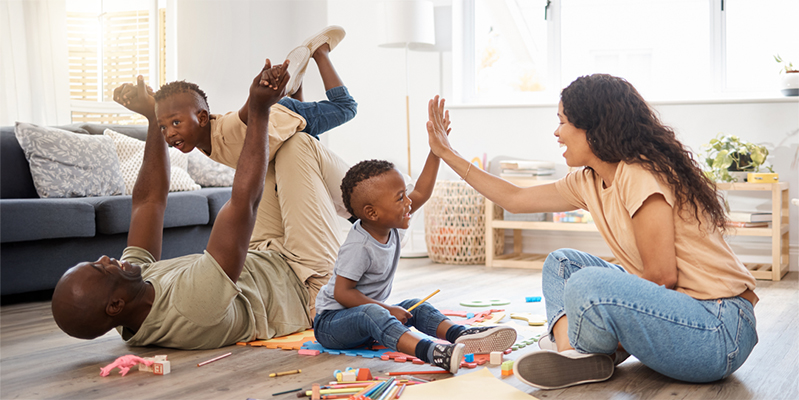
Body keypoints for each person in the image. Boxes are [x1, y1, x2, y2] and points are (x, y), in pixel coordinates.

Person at [426, 75, 758, 388]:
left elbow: (661, 276)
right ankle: (575, 354)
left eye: (562, 121)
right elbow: (515, 198)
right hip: (677, 317)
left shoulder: (639, 173)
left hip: (718, 331)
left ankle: (582, 346)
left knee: (587, 283)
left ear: (593, 128)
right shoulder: (588, 181)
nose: (557, 133)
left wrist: (600, 312)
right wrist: (447, 154)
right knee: (562, 264)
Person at [114, 26, 356, 316]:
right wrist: (152, 112)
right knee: (293, 161)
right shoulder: (203, 140)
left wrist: (259, 98)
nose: (168, 133)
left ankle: (321, 54)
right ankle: (294, 85)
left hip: (287, 117)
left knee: (346, 108)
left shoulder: (225, 130)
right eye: (163, 126)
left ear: (202, 117)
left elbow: (244, 116)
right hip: (279, 132)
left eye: (176, 123)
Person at [312, 96, 518, 374]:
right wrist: (385, 310)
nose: (409, 201)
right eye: (400, 198)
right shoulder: (359, 244)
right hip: (333, 324)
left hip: (367, 318)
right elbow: (342, 293)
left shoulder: (392, 222)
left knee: (414, 306)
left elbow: (421, 192)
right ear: (372, 213)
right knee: (377, 312)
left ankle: (461, 336)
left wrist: (437, 149)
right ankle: (431, 351)